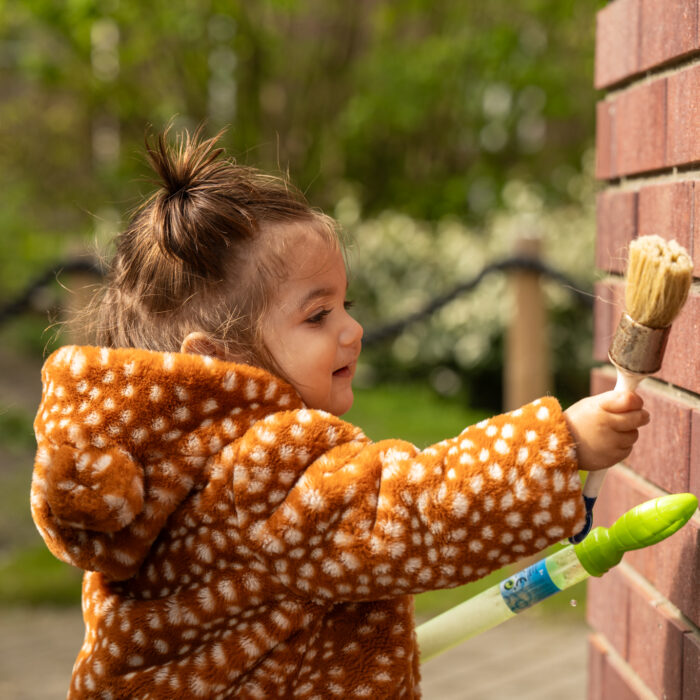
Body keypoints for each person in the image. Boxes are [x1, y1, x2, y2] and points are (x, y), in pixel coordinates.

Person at [31, 126, 648, 699]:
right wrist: (558, 445)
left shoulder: (159, 468)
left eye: (344, 304)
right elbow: (409, 510)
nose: (352, 329)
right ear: (216, 362)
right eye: (317, 315)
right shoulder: (257, 470)